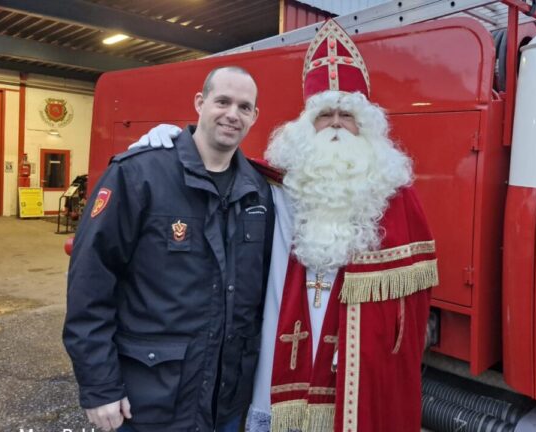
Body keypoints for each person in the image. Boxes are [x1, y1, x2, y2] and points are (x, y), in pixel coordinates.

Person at [137, 20, 438, 432]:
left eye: (346, 115)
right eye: (324, 114)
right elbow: (213, 159)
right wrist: (173, 140)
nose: (335, 125)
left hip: (356, 364)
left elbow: (410, 312)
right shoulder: (276, 182)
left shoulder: (394, 192)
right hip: (280, 342)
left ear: (365, 124)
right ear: (306, 124)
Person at [63, 66, 275, 432]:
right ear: (200, 102)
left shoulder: (258, 190)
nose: (232, 114)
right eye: (222, 101)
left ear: (254, 117)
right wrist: (99, 387)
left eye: (244, 107)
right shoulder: (138, 175)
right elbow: (90, 285)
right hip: (150, 403)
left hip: (226, 405)